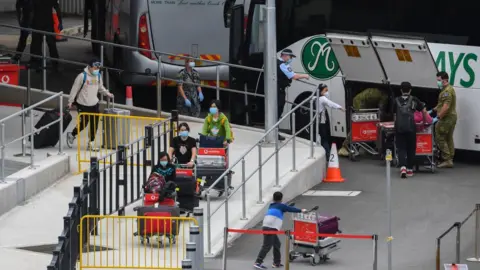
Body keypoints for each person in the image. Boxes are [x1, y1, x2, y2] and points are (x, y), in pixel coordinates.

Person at [66, 59, 114, 150]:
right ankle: (72, 134)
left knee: (94, 124)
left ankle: (91, 142)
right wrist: (70, 101)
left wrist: (107, 93)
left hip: (94, 103)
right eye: (95, 68)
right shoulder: (82, 76)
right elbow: (74, 89)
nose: (97, 69)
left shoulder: (98, 76)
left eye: (98, 68)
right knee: (84, 123)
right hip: (82, 104)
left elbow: (100, 87)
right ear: (89, 67)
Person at [253, 191, 307, 269]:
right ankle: (258, 262)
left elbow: (283, 209)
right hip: (270, 228)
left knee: (277, 244)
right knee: (267, 246)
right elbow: (289, 209)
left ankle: (276, 263)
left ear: (273, 198)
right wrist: (302, 210)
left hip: (268, 227)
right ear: (281, 199)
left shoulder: (272, 205)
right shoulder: (281, 206)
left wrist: (286, 207)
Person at [338, 88, 389, 157]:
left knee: (363, 124)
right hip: (360, 103)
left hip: (361, 101)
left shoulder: (378, 93)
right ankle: (345, 145)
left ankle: (362, 144)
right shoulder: (384, 96)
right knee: (360, 124)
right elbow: (381, 110)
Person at [394, 82, 427, 178]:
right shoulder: (414, 99)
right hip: (411, 127)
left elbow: (394, 114)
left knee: (401, 148)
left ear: (400, 90)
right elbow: (424, 111)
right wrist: (424, 122)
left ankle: (403, 167)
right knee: (411, 149)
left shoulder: (396, 100)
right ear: (410, 90)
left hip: (399, 128)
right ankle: (409, 169)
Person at [277, 49, 309, 140]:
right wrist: (305, 76)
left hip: (275, 90)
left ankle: (274, 132)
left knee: (276, 111)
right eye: (291, 57)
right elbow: (293, 76)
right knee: (278, 111)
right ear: (286, 56)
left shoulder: (276, 62)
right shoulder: (283, 65)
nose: (291, 59)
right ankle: (275, 133)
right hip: (279, 91)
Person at [430, 71, 457, 168]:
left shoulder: (446, 92)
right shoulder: (449, 89)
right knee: (449, 137)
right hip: (451, 117)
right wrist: (433, 109)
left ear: (445, 80)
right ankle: (450, 158)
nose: (438, 82)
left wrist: (437, 117)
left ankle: (447, 159)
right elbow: (442, 104)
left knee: (440, 137)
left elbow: (445, 107)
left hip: (446, 118)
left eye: (439, 80)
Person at [30, 0, 62, 70]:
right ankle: (54, 63)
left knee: (37, 44)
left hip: (38, 23)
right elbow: (57, 8)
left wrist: (30, 22)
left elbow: (30, 9)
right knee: (50, 44)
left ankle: (38, 62)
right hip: (46, 23)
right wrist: (60, 21)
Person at [316, 84, 345, 157]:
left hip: (317, 121)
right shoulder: (322, 99)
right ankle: (328, 155)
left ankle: (324, 153)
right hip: (321, 122)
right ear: (321, 91)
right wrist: (340, 107)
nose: (327, 92)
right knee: (324, 138)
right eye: (326, 90)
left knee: (321, 137)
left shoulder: (315, 98)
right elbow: (331, 104)